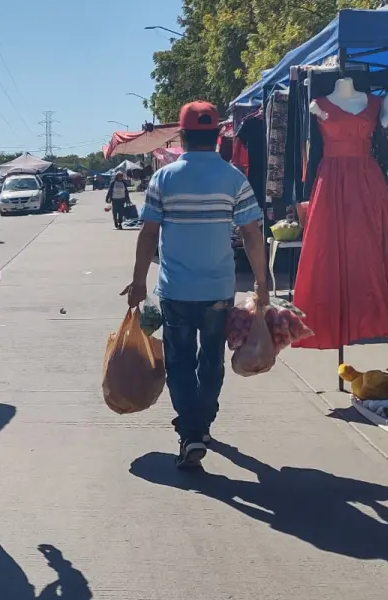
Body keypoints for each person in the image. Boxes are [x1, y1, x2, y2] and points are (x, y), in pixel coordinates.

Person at [122, 100, 269, 470]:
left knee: (180, 362)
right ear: (219, 135)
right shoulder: (234, 177)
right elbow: (252, 234)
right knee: (211, 361)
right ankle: (201, 423)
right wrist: (262, 282)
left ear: (182, 137)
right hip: (218, 290)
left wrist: (138, 281)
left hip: (175, 291)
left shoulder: (163, 178)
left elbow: (148, 234)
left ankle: (191, 431)